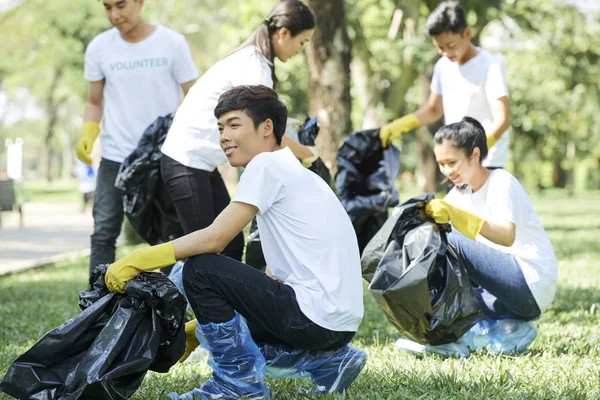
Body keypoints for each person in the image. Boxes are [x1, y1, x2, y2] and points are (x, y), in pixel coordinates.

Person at [104, 85, 367, 398]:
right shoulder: (299, 173)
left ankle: (236, 386)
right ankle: (329, 361)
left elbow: (215, 238)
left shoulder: (265, 165)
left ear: (266, 127)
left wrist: (138, 260)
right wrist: (202, 331)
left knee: (200, 269)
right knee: (234, 313)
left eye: (234, 124)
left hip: (312, 318)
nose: (224, 136)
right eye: (220, 128)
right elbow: (268, 280)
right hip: (337, 325)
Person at [160, 0, 318, 262]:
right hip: (185, 161)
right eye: (302, 42)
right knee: (206, 251)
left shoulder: (253, 60)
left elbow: (263, 130)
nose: (300, 50)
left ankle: (214, 302)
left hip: (202, 164)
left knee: (231, 244)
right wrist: (308, 153)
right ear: (283, 33)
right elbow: (265, 136)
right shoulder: (255, 65)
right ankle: (159, 299)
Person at [395, 117, 557, 357]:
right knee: (436, 252)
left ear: (474, 154)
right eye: (441, 164)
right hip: (500, 297)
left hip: (530, 284)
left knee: (449, 242)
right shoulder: (458, 196)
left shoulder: (501, 182)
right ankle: (454, 337)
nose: (447, 171)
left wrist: (456, 216)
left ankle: (456, 337)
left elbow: (506, 236)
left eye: (452, 162)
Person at [75, 0, 198, 274]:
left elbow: (196, 95)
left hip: (163, 157)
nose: (115, 14)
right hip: (114, 156)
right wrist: (88, 130)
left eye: (121, 5)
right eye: (107, 7)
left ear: (140, 2)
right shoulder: (99, 47)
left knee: (169, 234)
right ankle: (97, 306)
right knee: (104, 231)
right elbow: (94, 101)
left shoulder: (172, 43)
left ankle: (171, 302)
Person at [379, 1, 510, 170]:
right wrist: (399, 125)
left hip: (486, 161)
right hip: (454, 159)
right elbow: (433, 110)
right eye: (440, 47)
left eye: (451, 45)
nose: (446, 52)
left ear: (467, 33)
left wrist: (480, 149)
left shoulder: (490, 65)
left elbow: (503, 119)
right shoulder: (442, 66)